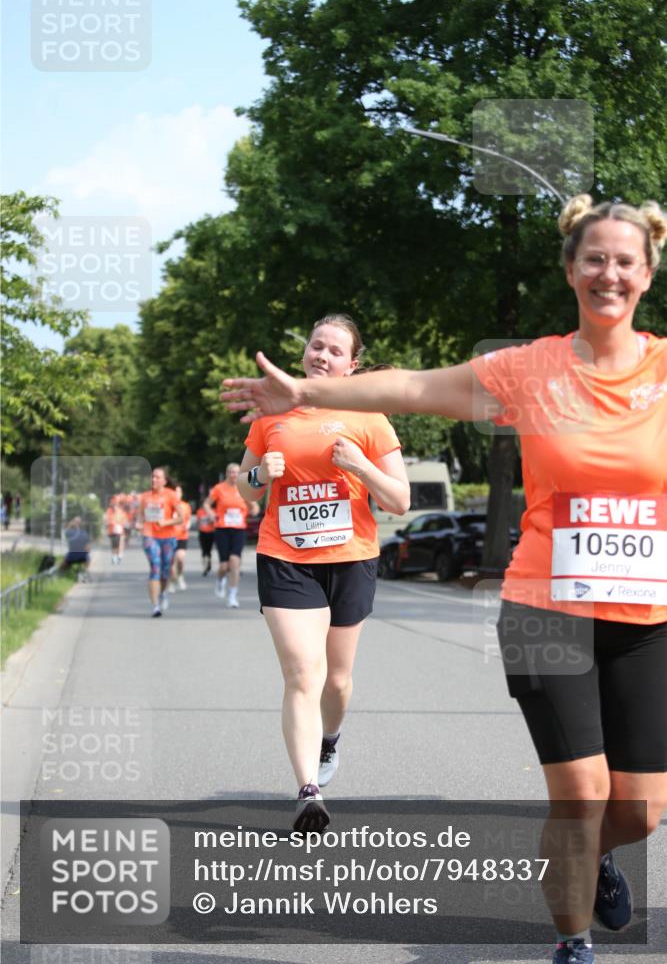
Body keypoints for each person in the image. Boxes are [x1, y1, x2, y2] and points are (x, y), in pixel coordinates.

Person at [223, 199, 667, 962]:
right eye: (593, 258)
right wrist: (310, 394)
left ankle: (593, 858)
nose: (608, 274)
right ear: (569, 270)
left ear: (647, 273)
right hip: (546, 611)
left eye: (624, 261)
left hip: (645, 614)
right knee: (581, 795)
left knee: (639, 809)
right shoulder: (531, 370)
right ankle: (573, 947)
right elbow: (409, 387)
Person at [231, 314, 410, 833]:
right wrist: (262, 473)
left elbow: (398, 500)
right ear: (304, 352)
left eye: (334, 350)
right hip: (285, 558)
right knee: (301, 674)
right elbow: (246, 487)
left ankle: (329, 739)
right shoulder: (273, 413)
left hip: (351, 559)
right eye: (316, 346)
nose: (321, 355)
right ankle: (308, 790)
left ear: (352, 365)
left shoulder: (370, 417)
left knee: (336, 679)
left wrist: (359, 465)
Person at [204, 463, 260, 608]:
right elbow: (206, 504)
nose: (234, 475)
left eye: (236, 472)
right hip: (222, 528)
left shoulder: (244, 488)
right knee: (224, 566)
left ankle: (232, 596)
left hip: (239, 530)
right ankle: (220, 580)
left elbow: (254, 506)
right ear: (227, 473)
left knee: (235, 561)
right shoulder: (219, 488)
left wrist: (254, 509)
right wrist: (211, 514)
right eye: (231, 472)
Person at [136, 467, 184, 618]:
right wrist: (138, 524)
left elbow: (181, 518)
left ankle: (163, 593)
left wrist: (166, 522)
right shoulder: (144, 496)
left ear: (164, 480)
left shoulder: (171, 495)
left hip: (168, 537)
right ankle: (155, 605)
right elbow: (140, 517)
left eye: (157, 477)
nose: (154, 480)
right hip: (149, 535)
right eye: (152, 477)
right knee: (155, 567)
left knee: (165, 571)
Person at [169, 485, 192, 592]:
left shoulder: (185, 506)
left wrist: (188, 525)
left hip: (182, 536)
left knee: (180, 559)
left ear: (181, 494)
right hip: (169, 536)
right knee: (171, 561)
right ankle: (172, 581)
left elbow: (189, 519)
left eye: (178, 492)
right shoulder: (167, 505)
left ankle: (180, 575)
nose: (176, 494)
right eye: (175, 492)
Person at [59, 516, 92, 580]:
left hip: (71, 556)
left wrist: (70, 525)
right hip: (83, 556)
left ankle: (61, 574)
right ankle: (85, 571)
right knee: (88, 558)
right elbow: (88, 548)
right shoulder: (84, 533)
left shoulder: (69, 533)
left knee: (64, 561)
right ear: (81, 524)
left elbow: (65, 532)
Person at [195, 497, 216, 576]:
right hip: (202, 532)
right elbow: (198, 522)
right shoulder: (199, 512)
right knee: (204, 550)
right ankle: (204, 567)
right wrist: (200, 524)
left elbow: (215, 521)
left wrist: (211, 521)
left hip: (211, 533)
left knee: (209, 550)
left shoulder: (212, 511)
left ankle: (209, 563)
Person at [104, 495, 126, 565]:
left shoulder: (120, 511)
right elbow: (107, 519)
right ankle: (114, 557)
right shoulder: (109, 511)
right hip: (111, 531)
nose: (114, 505)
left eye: (116, 504)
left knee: (119, 544)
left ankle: (119, 556)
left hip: (120, 531)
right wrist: (110, 522)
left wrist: (120, 523)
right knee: (114, 545)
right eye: (113, 503)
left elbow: (123, 520)